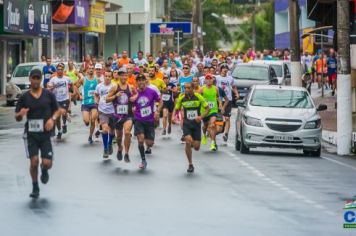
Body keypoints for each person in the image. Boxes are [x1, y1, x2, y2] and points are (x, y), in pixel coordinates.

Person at [15, 69, 60, 198]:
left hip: (46, 134)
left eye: (38, 78)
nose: (35, 80)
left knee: (47, 163)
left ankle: (44, 169)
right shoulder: (24, 97)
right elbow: (17, 116)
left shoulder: (48, 95)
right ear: (30, 79)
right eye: (33, 78)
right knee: (33, 161)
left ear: (41, 79)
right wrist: (20, 114)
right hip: (31, 134)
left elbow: (57, 111)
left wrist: (52, 119)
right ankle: (35, 187)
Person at [174, 82, 209, 173]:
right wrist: (173, 117)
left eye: (188, 88)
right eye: (185, 88)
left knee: (196, 147)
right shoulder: (182, 98)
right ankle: (190, 164)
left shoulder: (198, 97)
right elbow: (176, 108)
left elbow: (207, 108)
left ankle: (190, 141)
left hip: (196, 124)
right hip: (187, 123)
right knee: (188, 141)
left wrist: (201, 117)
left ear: (193, 88)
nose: (186, 90)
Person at [131, 74, 162, 169]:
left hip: (149, 120)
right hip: (138, 119)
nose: (140, 82)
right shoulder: (134, 93)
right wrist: (132, 108)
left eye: (142, 80)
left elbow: (160, 101)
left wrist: (157, 111)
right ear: (137, 82)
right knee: (140, 140)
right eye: (138, 80)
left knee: (149, 143)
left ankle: (145, 137)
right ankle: (143, 160)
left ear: (145, 81)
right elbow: (130, 104)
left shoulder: (152, 91)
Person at [106, 67, 136, 162]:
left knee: (127, 132)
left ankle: (126, 153)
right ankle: (120, 148)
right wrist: (115, 95)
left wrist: (134, 98)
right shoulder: (114, 87)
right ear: (118, 76)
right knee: (119, 137)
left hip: (128, 115)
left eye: (125, 75)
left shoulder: (131, 87)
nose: (124, 77)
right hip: (117, 116)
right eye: (122, 75)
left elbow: (137, 94)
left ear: (127, 76)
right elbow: (107, 99)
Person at [74, 64, 99, 144]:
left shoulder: (97, 80)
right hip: (85, 103)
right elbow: (75, 87)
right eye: (90, 68)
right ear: (87, 70)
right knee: (87, 121)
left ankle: (90, 136)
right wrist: (79, 95)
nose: (91, 69)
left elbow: (101, 88)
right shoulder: (83, 79)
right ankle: (87, 122)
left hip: (94, 103)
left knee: (93, 119)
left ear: (94, 70)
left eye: (92, 68)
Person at [199, 74, 224, 151]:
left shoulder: (216, 88)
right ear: (205, 80)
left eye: (210, 79)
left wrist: (220, 104)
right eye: (207, 79)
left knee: (212, 125)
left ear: (213, 80)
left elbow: (218, 97)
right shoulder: (202, 89)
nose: (209, 80)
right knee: (205, 127)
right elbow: (198, 98)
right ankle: (204, 135)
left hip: (213, 110)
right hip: (205, 111)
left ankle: (213, 143)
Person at [47, 63, 72, 140]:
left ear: (63, 70)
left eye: (61, 69)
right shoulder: (53, 79)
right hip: (56, 100)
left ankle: (64, 124)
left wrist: (72, 92)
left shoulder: (66, 78)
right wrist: (52, 87)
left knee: (64, 113)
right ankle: (60, 131)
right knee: (57, 117)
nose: (60, 71)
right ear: (56, 70)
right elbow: (48, 88)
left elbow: (72, 84)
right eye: (58, 69)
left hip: (65, 99)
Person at [215, 64, 239, 143]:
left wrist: (236, 94)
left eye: (226, 68)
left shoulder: (230, 78)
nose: (225, 70)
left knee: (227, 118)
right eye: (223, 68)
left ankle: (226, 133)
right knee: (219, 117)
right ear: (221, 69)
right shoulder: (217, 78)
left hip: (228, 99)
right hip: (219, 100)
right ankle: (217, 129)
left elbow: (233, 86)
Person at [95, 70, 115, 158]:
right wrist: (96, 101)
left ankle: (110, 143)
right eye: (106, 76)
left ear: (111, 77)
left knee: (112, 131)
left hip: (113, 111)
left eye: (109, 76)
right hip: (103, 111)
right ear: (104, 76)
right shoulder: (99, 86)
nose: (107, 78)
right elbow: (96, 95)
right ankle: (105, 148)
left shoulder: (114, 86)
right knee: (105, 129)